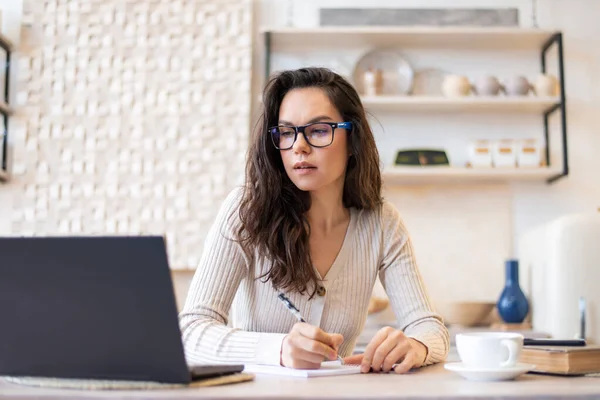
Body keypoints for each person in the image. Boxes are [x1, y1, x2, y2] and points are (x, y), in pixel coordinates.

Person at [179, 67, 449, 374]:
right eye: (286, 132)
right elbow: (190, 332)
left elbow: (430, 328)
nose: (299, 146)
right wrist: (278, 349)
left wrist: (416, 346)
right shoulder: (245, 211)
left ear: (353, 138)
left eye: (319, 131)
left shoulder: (382, 223)